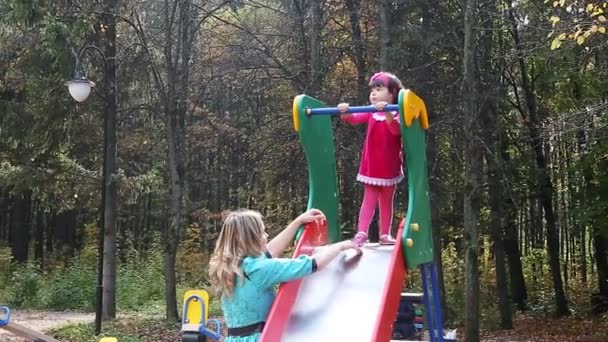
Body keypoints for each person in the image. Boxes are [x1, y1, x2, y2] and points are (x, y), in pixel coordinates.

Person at [208, 208, 360, 341]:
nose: (266, 235)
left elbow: (270, 251)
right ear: (252, 238)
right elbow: (312, 264)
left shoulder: (232, 266)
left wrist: (297, 222)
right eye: (262, 232)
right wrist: (339, 247)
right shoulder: (259, 269)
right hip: (260, 338)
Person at [338, 71, 405, 247]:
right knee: (368, 199)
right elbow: (353, 118)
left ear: (393, 94)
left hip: (390, 167)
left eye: (379, 89)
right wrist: (345, 112)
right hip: (372, 167)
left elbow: (396, 131)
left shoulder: (398, 113)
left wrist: (388, 113)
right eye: (372, 90)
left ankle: (384, 234)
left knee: (387, 202)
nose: (374, 93)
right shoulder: (370, 112)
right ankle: (362, 233)